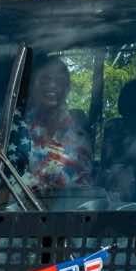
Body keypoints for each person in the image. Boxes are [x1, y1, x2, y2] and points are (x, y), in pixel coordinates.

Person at [13, 56, 91, 198]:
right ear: (32, 84)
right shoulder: (16, 124)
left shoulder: (78, 138)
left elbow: (76, 192)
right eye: (45, 79)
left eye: (59, 81)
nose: (52, 86)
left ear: (67, 88)